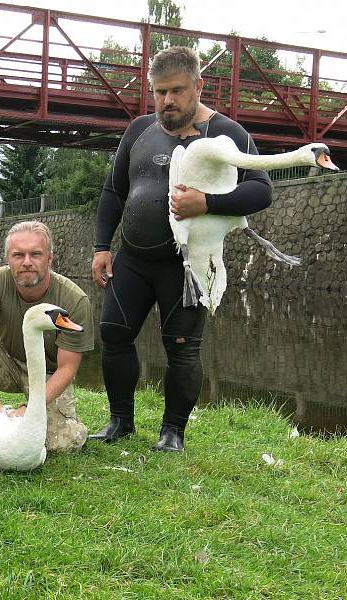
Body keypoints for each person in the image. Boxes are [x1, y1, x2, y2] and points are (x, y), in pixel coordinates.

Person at [91, 46, 272, 452]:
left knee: (182, 349)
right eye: (159, 92)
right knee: (114, 335)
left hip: (187, 265)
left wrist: (207, 203)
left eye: (177, 91)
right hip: (133, 258)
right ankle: (120, 422)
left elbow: (261, 191)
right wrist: (103, 245)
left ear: (198, 87)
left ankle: (173, 432)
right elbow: (114, 191)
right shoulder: (139, 129)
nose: (167, 101)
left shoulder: (227, 133)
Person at [0, 220, 93, 452]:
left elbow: (67, 369)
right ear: (8, 259)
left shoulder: (74, 299)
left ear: (50, 259)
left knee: (61, 444)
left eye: (36, 254)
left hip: (48, 375)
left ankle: (60, 423)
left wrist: (31, 408)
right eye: (18, 255)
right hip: (8, 362)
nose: (27, 262)